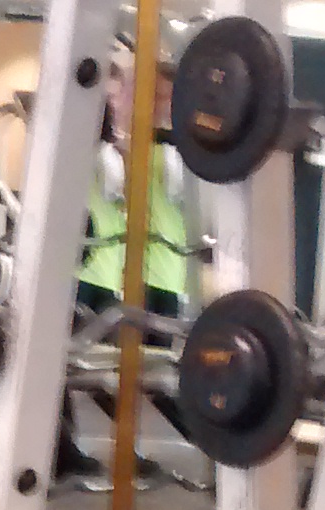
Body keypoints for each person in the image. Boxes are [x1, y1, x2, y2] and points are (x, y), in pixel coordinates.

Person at [77, 48, 191, 328]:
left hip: (163, 284)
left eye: (164, 98)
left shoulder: (175, 158)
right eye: (155, 96)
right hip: (103, 278)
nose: (160, 106)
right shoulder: (104, 154)